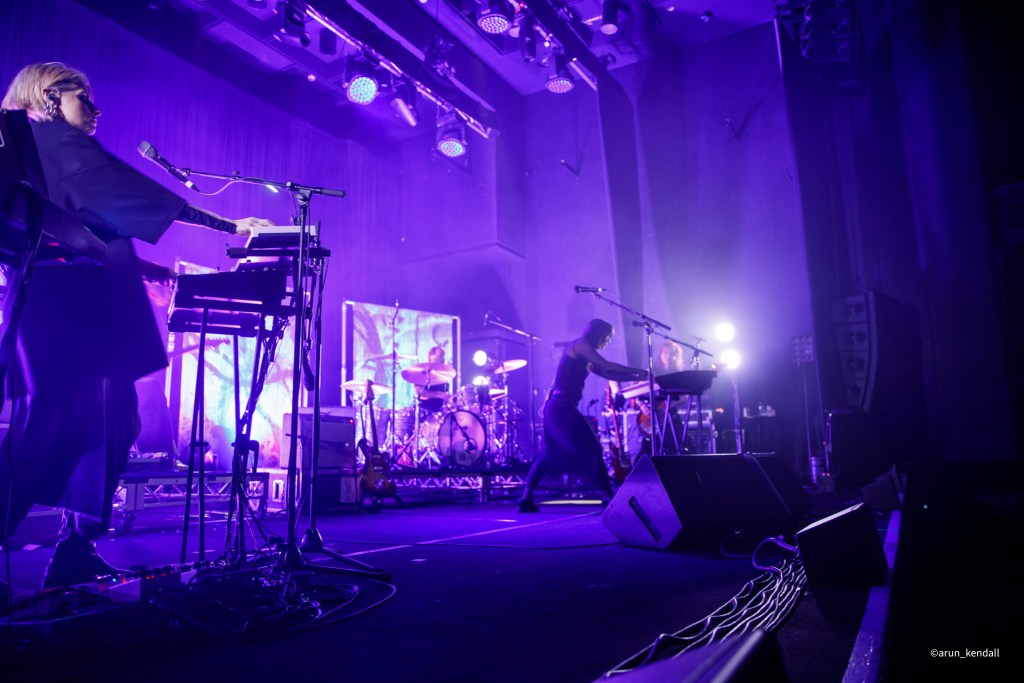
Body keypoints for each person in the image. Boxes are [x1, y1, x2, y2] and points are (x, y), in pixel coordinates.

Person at [0, 62, 272, 588]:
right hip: (63, 308)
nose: (96, 110)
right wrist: (228, 224)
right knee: (52, 428)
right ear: (50, 96)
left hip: (84, 304)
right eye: (84, 98)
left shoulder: (41, 151)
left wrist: (149, 270)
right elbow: (124, 193)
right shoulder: (47, 139)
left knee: (115, 423)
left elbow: (80, 226)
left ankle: (75, 550)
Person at [517, 319, 647, 513]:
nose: (608, 341)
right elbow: (607, 365)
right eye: (608, 337)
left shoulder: (585, 355)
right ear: (599, 334)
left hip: (558, 407)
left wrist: (637, 378)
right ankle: (607, 495)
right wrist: (639, 371)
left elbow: (609, 374)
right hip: (560, 408)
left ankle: (525, 498)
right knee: (592, 448)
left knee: (547, 455)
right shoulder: (580, 345)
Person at [415, 345, 451, 414]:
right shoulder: (422, 373)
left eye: (443, 355)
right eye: (440, 355)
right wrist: (439, 394)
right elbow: (419, 393)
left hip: (440, 413)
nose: (442, 358)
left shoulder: (443, 375)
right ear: (430, 357)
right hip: (425, 412)